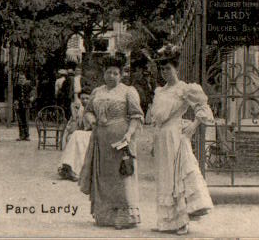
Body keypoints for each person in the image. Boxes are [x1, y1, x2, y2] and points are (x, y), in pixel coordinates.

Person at [147, 45, 214, 235]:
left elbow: (203, 108)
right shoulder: (160, 91)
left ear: (176, 68)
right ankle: (166, 222)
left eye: (168, 68)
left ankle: (182, 221)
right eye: (162, 69)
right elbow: (156, 119)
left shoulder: (185, 89)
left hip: (176, 136)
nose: (165, 72)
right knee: (164, 178)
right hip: (161, 137)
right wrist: (153, 141)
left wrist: (192, 127)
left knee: (177, 177)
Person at [78, 65, 144, 229]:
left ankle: (125, 217)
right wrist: (93, 121)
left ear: (121, 76)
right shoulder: (97, 92)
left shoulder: (129, 91)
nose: (111, 76)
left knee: (122, 175)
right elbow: (88, 111)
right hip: (101, 141)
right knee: (103, 177)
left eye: (116, 73)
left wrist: (129, 135)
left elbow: (136, 116)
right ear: (103, 73)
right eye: (108, 72)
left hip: (121, 141)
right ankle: (105, 215)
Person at [58, 87, 93, 181]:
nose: (84, 101)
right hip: (83, 134)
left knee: (77, 135)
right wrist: (74, 112)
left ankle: (74, 169)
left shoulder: (94, 109)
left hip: (94, 133)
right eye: (82, 98)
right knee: (75, 136)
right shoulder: (80, 110)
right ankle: (68, 167)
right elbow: (73, 125)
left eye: (87, 98)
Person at [14, 73, 34, 141]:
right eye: (20, 78)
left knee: (26, 121)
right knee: (20, 121)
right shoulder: (16, 86)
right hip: (19, 105)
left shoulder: (28, 86)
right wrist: (15, 102)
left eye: (23, 78)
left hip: (26, 105)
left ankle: (27, 135)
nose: (21, 80)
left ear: (25, 79)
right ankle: (21, 135)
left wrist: (32, 97)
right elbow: (15, 96)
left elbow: (33, 93)